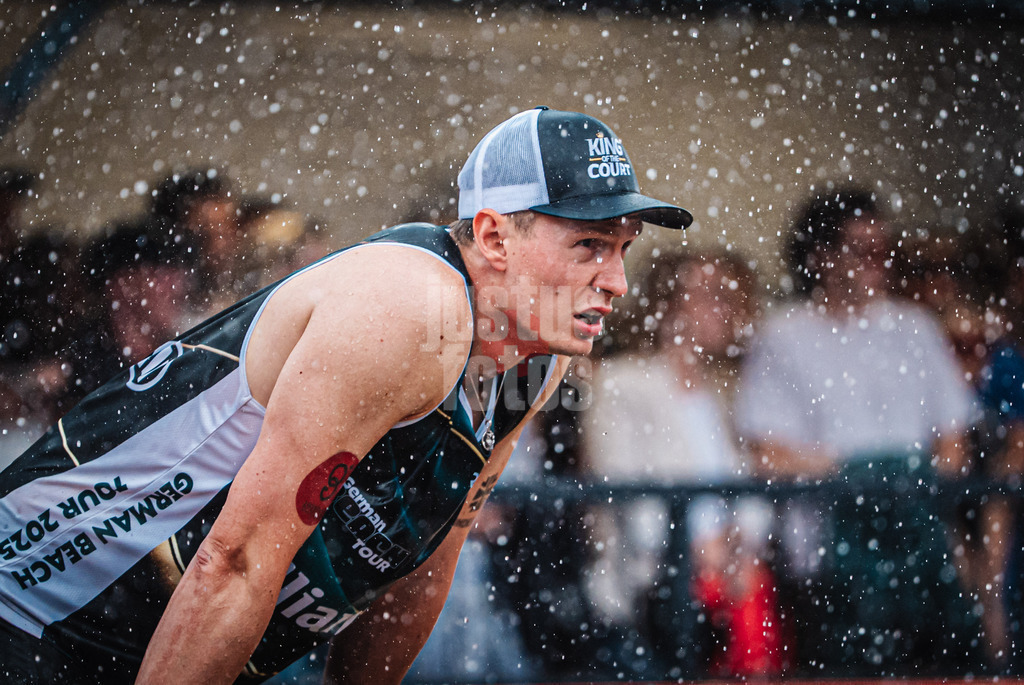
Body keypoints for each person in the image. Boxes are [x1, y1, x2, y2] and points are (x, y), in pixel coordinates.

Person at [0, 106, 692, 684]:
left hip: (150, 635)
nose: (617, 281)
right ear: (492, 236)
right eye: (589, 246)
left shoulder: (534, 359)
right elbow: (231, 561)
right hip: (40, 601)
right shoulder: (408, 306)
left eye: (623, 248)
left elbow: (423, 568)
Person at [734, 188, 983, 675]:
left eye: (883, 249)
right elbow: (766, 454)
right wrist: (866, 474)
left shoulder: (916, 329)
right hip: (826, 559)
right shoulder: (783, 336)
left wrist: (906, 487)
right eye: (861, 249)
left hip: (920, 551)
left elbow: (954, 444)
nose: (877, 262)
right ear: (820, 255)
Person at [581, 248, 782, 679]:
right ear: (666, 307)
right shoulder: (623, 383)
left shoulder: (724, 391)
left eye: (730, 296)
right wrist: (698, 551)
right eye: (709, 295)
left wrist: (739, 545)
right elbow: (623, 493)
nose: (725, 308)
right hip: (656, 588)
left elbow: (749, 487)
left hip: (730, 578)